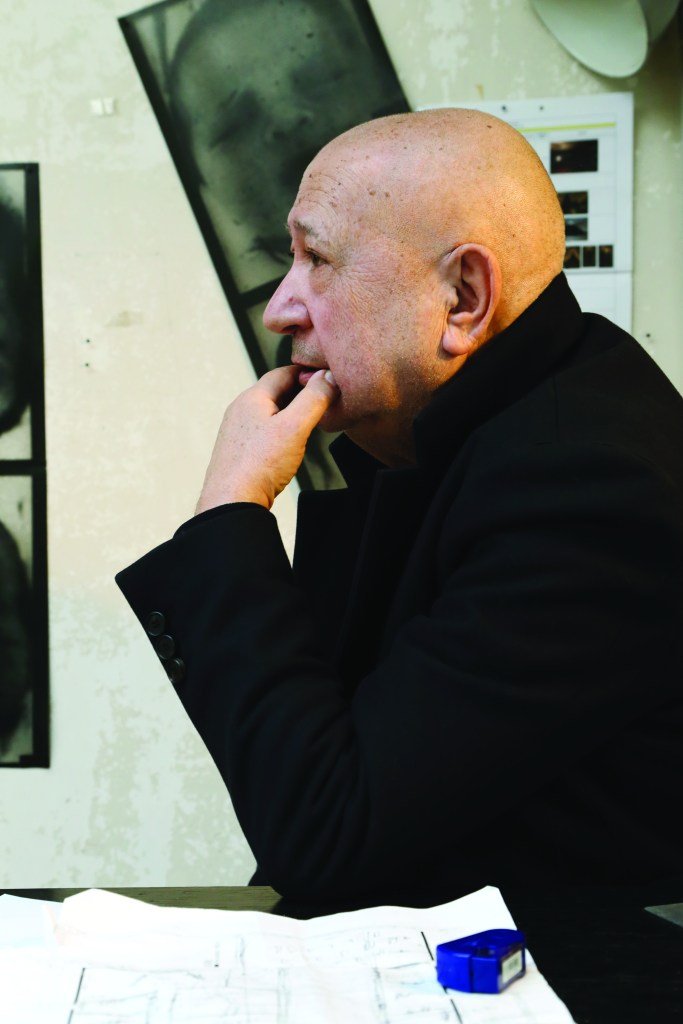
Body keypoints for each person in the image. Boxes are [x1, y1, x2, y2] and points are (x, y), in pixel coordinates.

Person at [117, 108, 683, 908]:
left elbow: (325, 834)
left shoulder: (584, 485)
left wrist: (229, 509)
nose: (282, 307)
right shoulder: (504, 424)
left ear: (462, 297)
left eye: (318, 259)